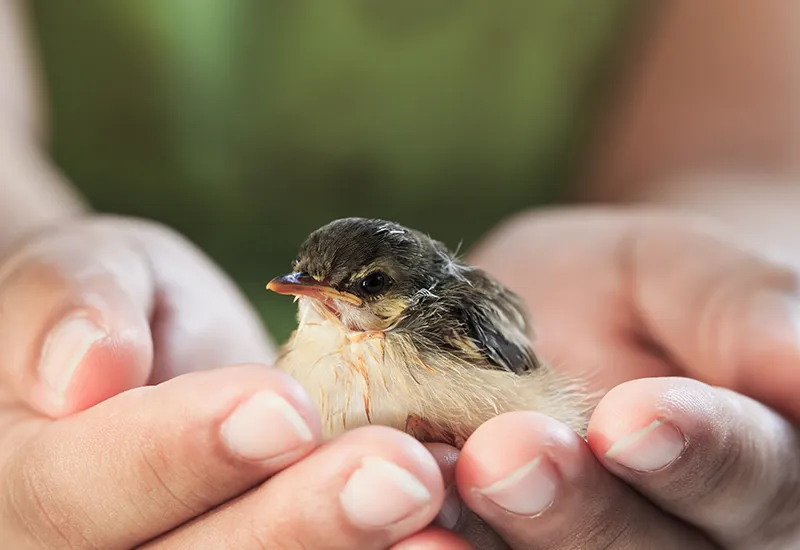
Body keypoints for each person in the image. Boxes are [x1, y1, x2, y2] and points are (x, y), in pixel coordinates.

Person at [3, 1, 800, 548]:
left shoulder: (446, 318)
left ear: (405, 292)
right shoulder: (303, 350)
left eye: (366, 287)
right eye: (311, 284)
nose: (324, 302)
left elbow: (746, 157)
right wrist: (27, 264)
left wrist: (725, 269)